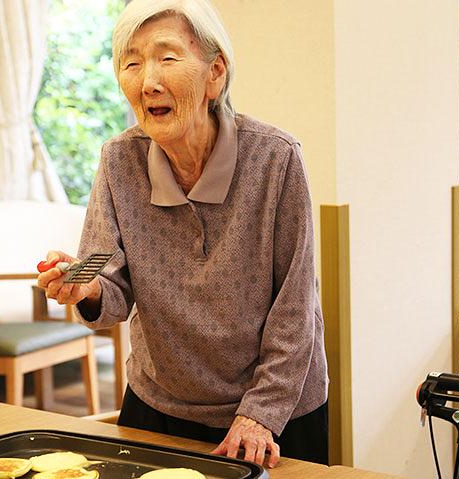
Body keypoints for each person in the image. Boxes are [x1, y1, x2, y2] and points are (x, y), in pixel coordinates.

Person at [38, 0, 328, 467]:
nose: (147, 80)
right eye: (131, 63)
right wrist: (84, 285)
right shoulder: (118, 161)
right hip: (160, 403)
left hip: (273, 410)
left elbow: (296, 307)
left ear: (215, 73)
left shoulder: (276, 159)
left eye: (166, 58)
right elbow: (106, 283)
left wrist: (260, 414)